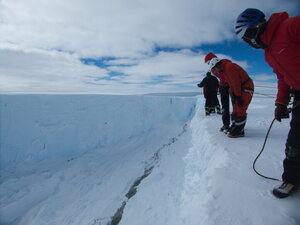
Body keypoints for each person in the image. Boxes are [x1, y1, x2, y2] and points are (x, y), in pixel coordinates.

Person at [235, 8, 300, 198]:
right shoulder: (268, 54)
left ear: (256, 28)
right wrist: (281, 103)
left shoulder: (290, 27)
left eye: (246, 36)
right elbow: (283, 78)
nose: (247, 42)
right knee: (295, 141)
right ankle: (293, 179)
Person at [206, 55, 254, 138]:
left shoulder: (229, 67)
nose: (215, 72)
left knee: (240, 108)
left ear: (217, 65)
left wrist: (238, 96)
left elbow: (236, 83)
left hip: (246, 88)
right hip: (240, 89)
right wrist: (233, 94)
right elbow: (231, 84)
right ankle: (235, 126)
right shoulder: (224, 70)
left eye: (214, 69)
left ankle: (239, 131)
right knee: (235, 109)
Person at [205, 53, 231, 133]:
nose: (208, 64)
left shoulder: (225, 63)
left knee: (232, 105)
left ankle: (235, 124)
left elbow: (229, 74)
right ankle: (227, 124)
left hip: (230, 85)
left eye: (208, 62)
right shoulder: (213, 70)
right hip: (224, 87)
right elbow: (220, 80)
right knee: (225, 106)